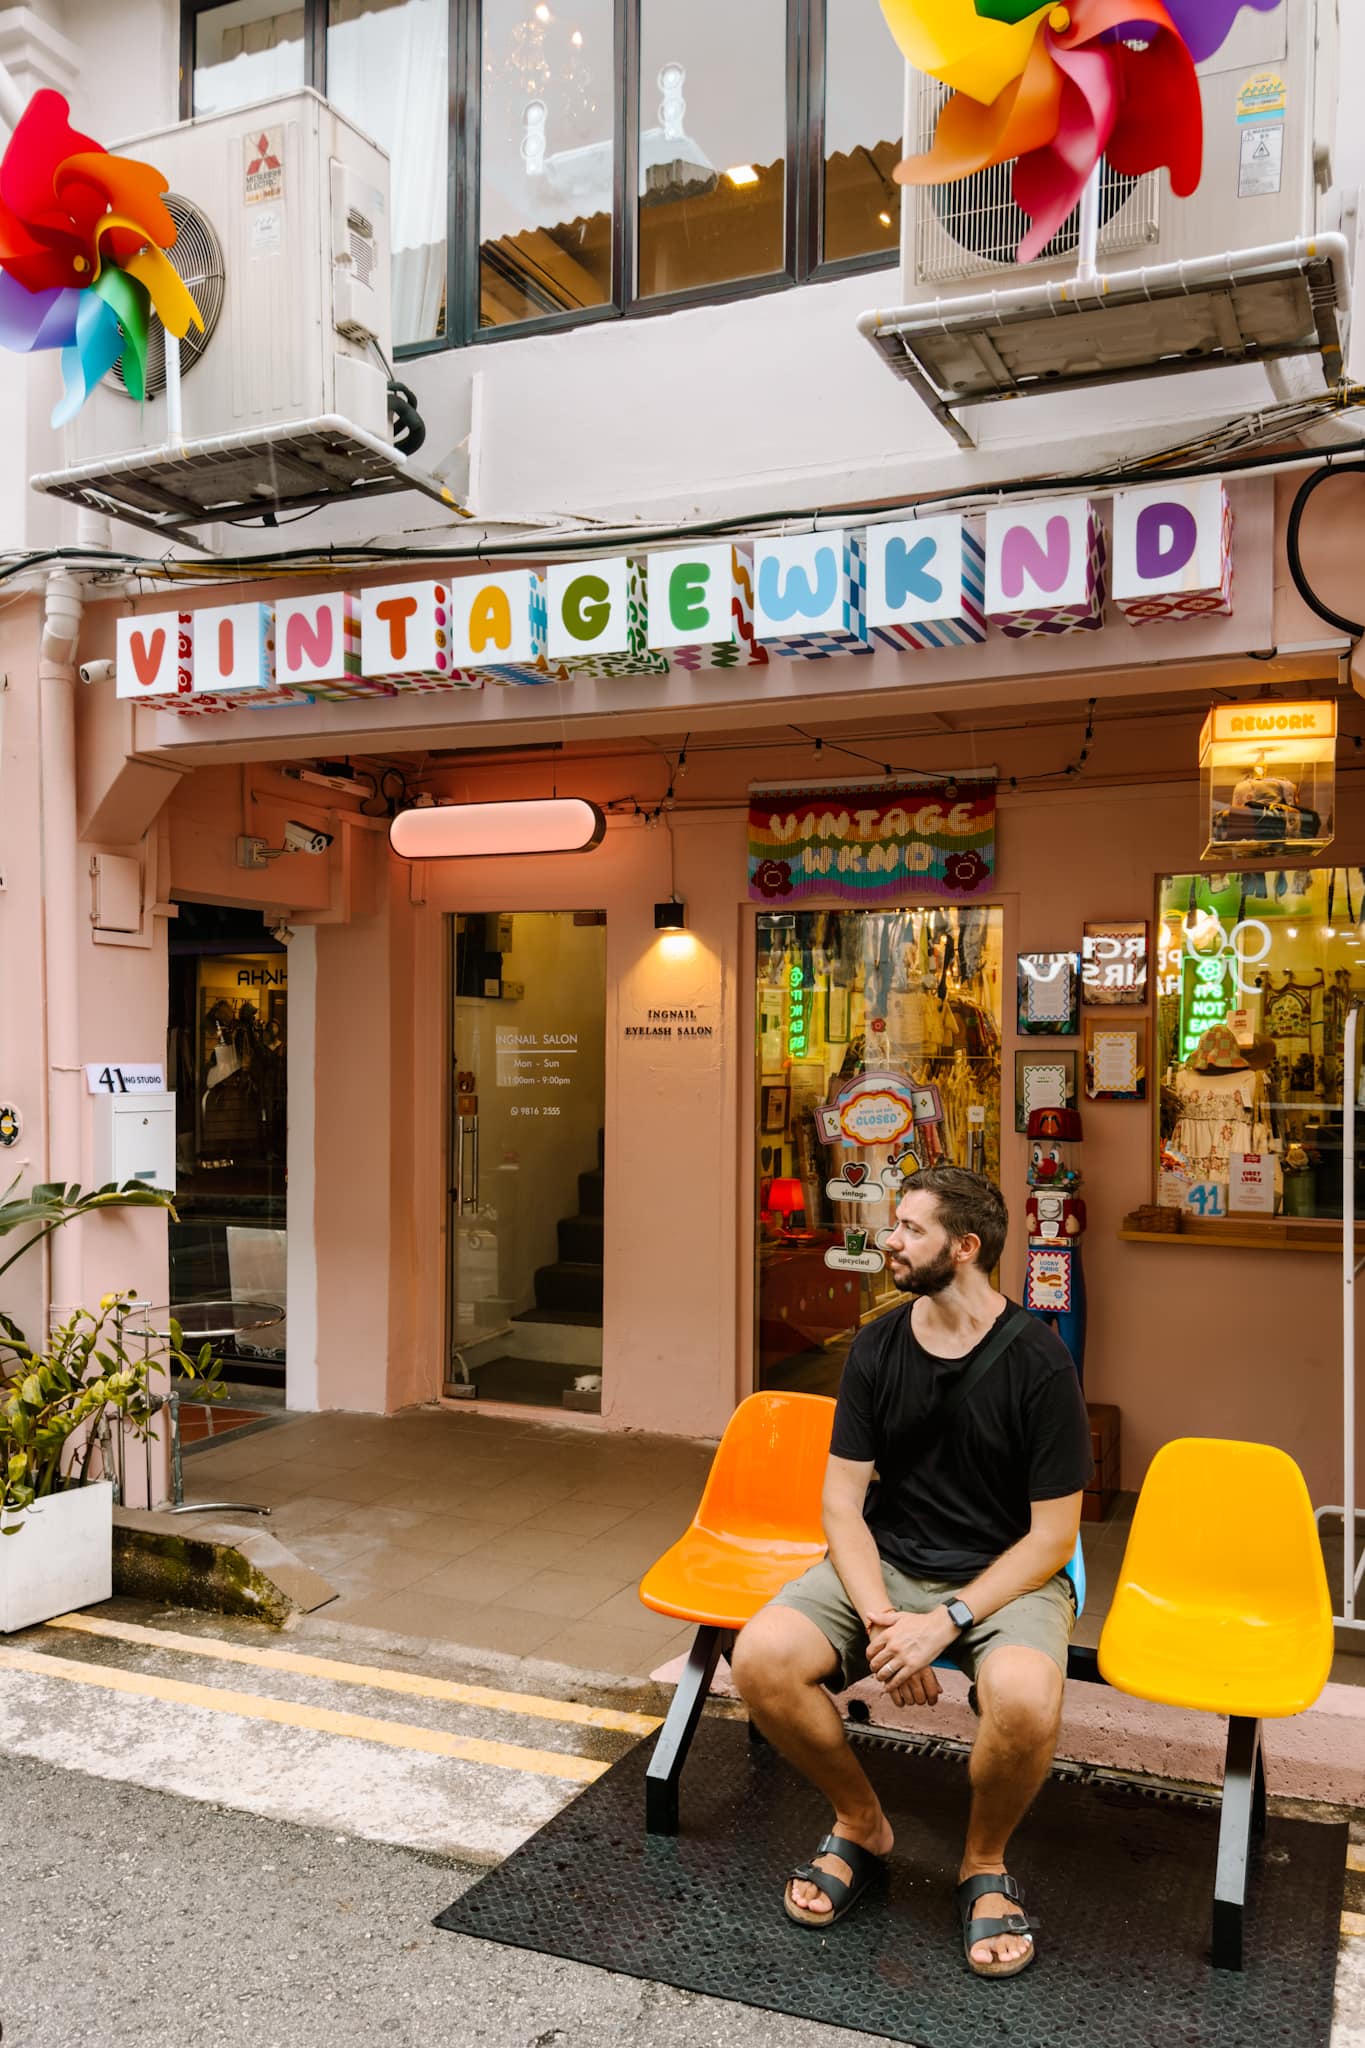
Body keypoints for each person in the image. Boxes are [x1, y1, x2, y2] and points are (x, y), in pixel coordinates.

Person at [731, 1164, 1092, 1980]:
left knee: (1027, 1704)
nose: (888, 1239)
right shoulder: (877, 1343)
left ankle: (983, 1863)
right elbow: (839, 1506)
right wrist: (885, 1623)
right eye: (893, 1224)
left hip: (1005, 1579)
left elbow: (1050, 1539)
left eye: (910, 1229)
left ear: (964, 1248)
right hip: (885, 1565)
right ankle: (860, 1822)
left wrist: (947, 1623)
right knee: (759, 1659)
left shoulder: (1039, 1363)